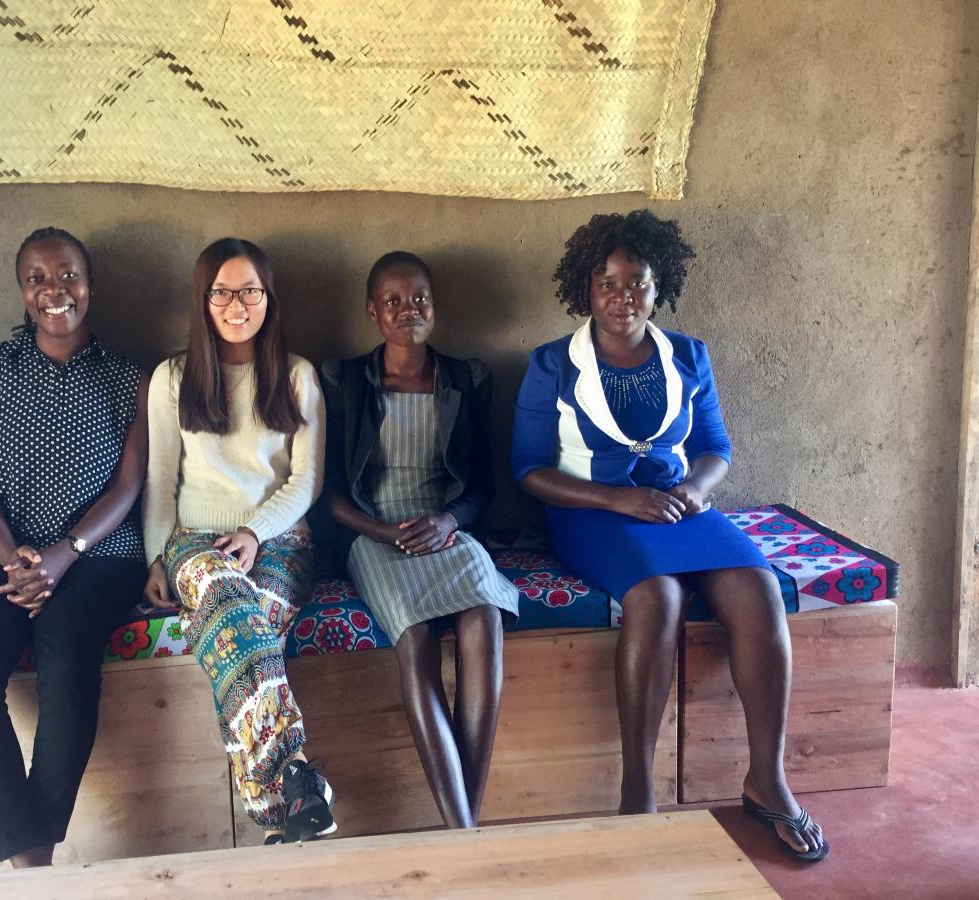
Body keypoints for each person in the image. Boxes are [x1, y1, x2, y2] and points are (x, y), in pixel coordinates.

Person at [511, 210, 829, 862]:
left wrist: (697, 490)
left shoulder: (688, 356)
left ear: (660, 289)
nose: (622, 297)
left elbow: (715, 448)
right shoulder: (552, 366)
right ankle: (638, 793)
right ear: (585, 289)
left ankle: (766, 779)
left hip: (682, 509)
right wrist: (617, 497)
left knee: (759, 589)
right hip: (590, 511)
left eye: (637, 284)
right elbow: (528, 470)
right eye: (606, 283)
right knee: (656, 599)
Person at [0, 227, 149, 868]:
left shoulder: (127, 379)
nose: (55, 291)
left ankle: (33, 859)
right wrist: (13, 559)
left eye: (68, 276)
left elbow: (128, 485)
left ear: (90, 283)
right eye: (38, 279)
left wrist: (66, 551)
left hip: (100, 557)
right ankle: (27, 851)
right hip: (0, 557)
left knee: (66, 659)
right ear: (22, 290)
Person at [142, 237, 332, 845]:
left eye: (249, 290)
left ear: (268, 298)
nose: (236, 303)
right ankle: (297, 779)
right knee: (224, 592)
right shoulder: (173, 378)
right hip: (195, 543)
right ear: (204, 300)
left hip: (280, 543)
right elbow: (158, 478)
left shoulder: (297, 375)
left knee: (241, 628)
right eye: (221, 291)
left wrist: (255, 531)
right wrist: (154, 556)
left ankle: (276, 822)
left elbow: (307, 482)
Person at [320, 251, 518, 830]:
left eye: (420, 299)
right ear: (372, 313)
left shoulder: (467, 378)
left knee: (485, 617)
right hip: (375, 535)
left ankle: (464, 828)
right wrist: (384, 531)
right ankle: (466, 833)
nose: (409, 310)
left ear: (435, 306)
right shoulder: (347, 380)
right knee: (415, 638)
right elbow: (330, 494)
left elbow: (483, 485)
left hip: (445, 529)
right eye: (394, 301)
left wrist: (450, 522)